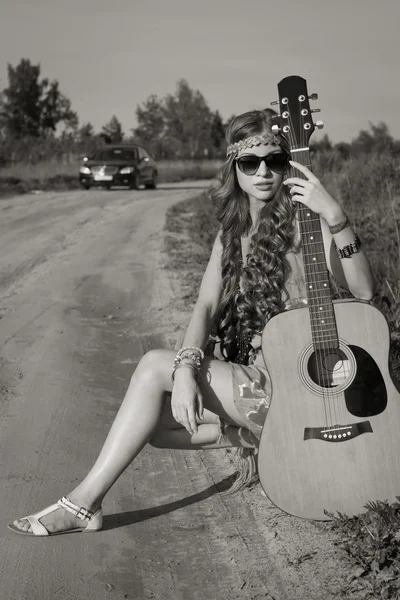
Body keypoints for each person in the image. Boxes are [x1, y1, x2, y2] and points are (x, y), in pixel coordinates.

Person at [9, 108, 375, 536]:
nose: (263, 173)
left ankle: (83, 504)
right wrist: (185, 369)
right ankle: (263, 437)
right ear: (233, 168)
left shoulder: (308, 221)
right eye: (249, 163)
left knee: (150, 368)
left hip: (304, 385)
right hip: (261, 378)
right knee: (161, 424)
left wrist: (335, 216)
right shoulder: (230, 234)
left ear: (287, 164)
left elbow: (364, 290)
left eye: (274, 161)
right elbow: (204, 306)